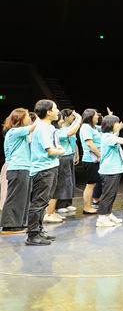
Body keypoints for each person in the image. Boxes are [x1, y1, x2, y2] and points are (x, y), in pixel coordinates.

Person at [27, 100, 66, 246]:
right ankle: (33, 234)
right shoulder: (43, 128)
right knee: (39, 202)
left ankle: (39, 230)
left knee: (43, 202)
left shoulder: (48, 127)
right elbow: (50, 150)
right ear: (48, 112)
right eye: (55, 109)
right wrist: (61, 151)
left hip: (50, 167)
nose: (58, 111)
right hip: (43, 169)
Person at [1, 109, 37, 235]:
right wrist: (42, 117)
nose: (30, 119)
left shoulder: (22, 133)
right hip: (17, 167)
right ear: (20, 118)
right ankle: (9, 226)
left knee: (22, 198)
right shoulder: (14, 131)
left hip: (24, 167)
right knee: (14, 197)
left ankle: (19, 223)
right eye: (27, 116)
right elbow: (33, 127)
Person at [96, 115, 123, 228]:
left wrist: (119, 130)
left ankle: (108, 214)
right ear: (111, 125)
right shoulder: (107, 137)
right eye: (117, 123)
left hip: (114, 169)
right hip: (109, 170)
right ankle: (101, 217)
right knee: (108, 195)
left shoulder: (110, 136)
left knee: (112, 194)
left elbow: (118, 137)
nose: (119, 124)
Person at [52, 109, 82, 217]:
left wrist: (76, 154)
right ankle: (60, 205)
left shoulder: (65, 128)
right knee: (62, 181)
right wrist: (79, 119)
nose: (72, 118)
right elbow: (71, 131)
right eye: (71, 116)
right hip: (62, 157)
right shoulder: (58, 130)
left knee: (70, 181)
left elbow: (74, 142)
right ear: (64, 118)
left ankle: (68, 203)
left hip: (69, 155)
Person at [79, 109, 103, 214]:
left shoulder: (93, 127)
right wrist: (100, 155)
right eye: (96, 115)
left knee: (93, 183)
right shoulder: (85, 127)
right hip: (90, 159)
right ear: (90, 117)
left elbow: (104, 128)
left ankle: (89, 206)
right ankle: (87, 208)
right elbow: (90, 144)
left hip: (95, 159)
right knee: (90, 184)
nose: (98, 117)